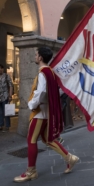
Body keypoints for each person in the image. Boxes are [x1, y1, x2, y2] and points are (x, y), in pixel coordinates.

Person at [14, 47, 79, 183]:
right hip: (46, 111)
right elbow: (57, 91)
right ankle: (70, 158)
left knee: (31, 140)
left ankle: (31, 171)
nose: (35, 56)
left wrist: (31, 104)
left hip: (40, 112)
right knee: (47, 140)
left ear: (40, 58)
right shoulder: (51, 73)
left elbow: (41, 92)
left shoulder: (43, 73)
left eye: (36, 54)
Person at [0, 64, 13, 132]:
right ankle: (1, 125)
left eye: (1, 68)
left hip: (5, 96)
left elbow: (10, 85)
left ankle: (7, 126)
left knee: (6, 111)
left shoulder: (6, 76)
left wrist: (10, 96)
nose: (0, 69)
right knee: (0, 112)